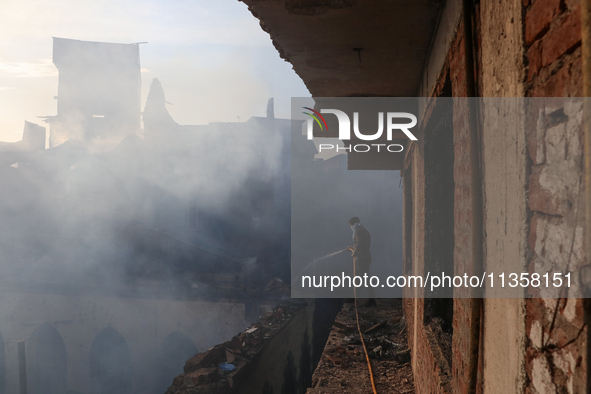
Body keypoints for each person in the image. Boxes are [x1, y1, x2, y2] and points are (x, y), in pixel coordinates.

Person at [346, 217, 377, 307]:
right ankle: (355, 297)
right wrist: (352, 247)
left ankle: (372, 300)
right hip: (365, 257)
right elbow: (362, 244)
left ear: (354, 224)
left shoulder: (358, 231)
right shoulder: (364, 230)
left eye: (351, 225)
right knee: (358, 279)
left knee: (364, 279)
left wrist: (354, 252)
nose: (351, 227)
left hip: (361, 258)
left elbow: (359, 243)